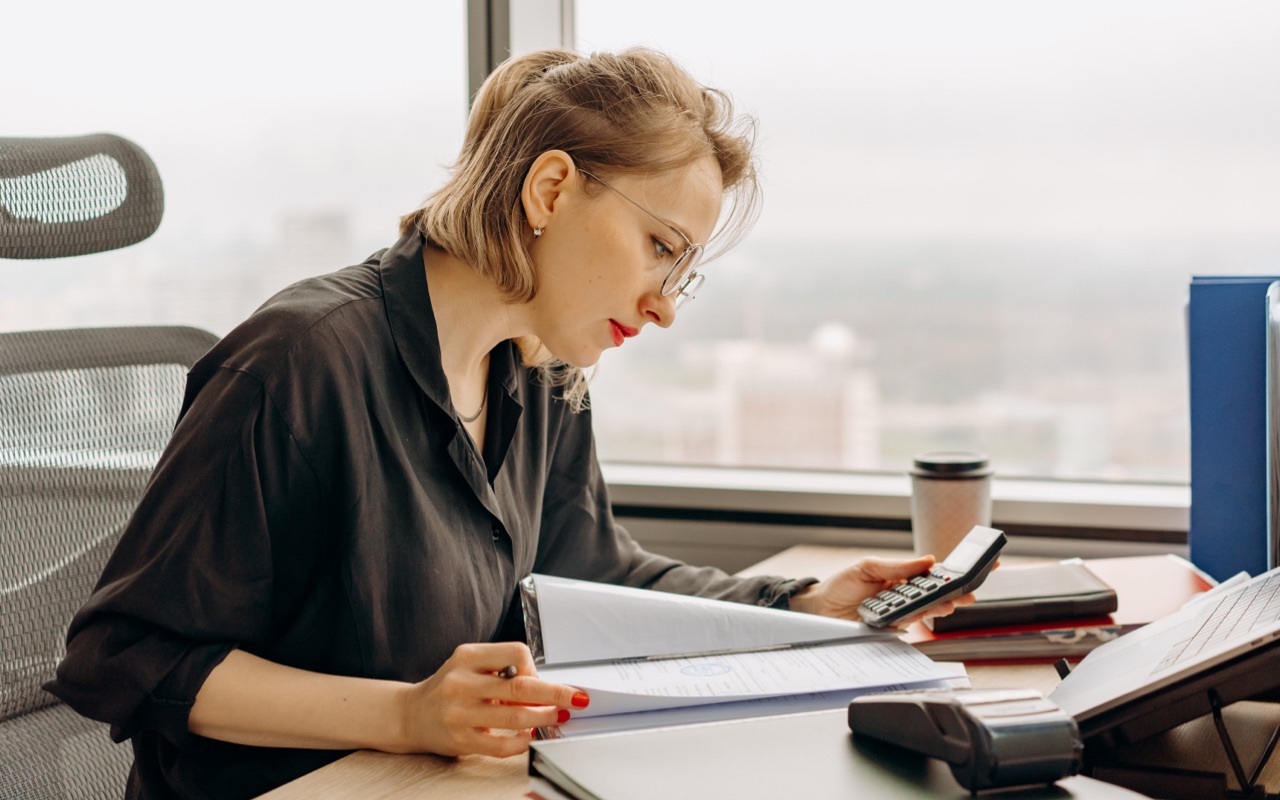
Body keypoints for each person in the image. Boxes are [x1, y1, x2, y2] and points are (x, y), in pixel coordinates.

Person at [47, 47, 968, 799]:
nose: (666, 309)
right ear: (551, 190)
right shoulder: (301, 362)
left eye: (683, 271)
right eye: (659, 250)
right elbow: (120, 657)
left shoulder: (542, 373)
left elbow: (595, 570)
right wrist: (405, 714)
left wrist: (801, 606)